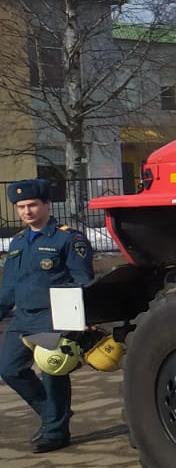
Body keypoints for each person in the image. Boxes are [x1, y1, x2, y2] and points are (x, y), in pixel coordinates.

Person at [1, 179, 94, 453]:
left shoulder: (68, 238)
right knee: (9, 369)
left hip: (53, 316)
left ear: (46, 205)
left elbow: (83, 280)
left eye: (32, 205)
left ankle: (56, 431)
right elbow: (9, 287)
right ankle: (54, 414)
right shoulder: (18, 241)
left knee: (52, 371)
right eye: (21, 207)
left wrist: (79, 317)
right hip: (23, 318)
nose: (27, 211)